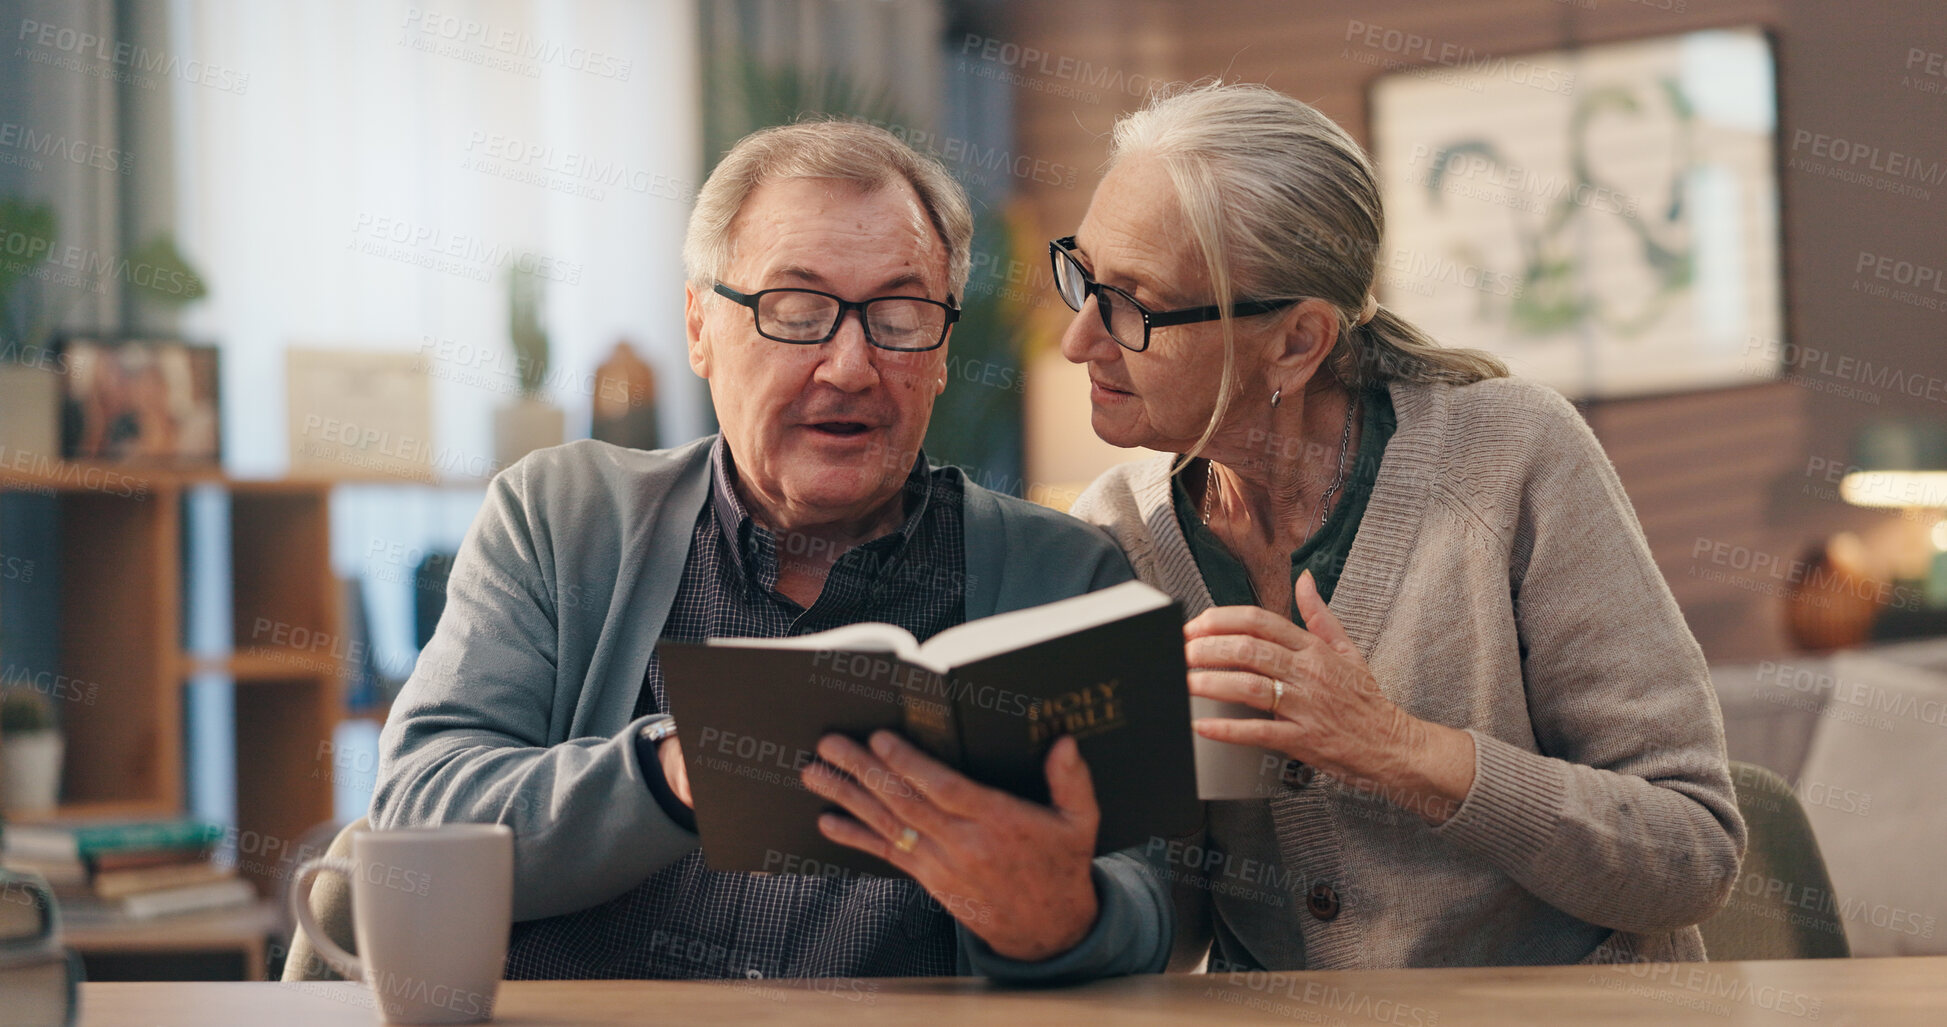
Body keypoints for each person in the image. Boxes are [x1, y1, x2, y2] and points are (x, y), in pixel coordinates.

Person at [372, 120, 1169, 982]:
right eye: (796, 313)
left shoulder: (1064, 574)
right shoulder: (561, 518)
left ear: (941, 353)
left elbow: (1162, 899)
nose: (851, 366)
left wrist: (1063, 919)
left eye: (900, 317)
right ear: (699, 326)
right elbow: (418, 816)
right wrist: (683, 765)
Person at [1061, 83, 1746, 969]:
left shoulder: (1512, 458)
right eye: (1081, 276)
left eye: (1132, 303)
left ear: (1298, 343)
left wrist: (1396, 747)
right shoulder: (1116, 536)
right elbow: (1167, 920)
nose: (1079, 339)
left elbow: (1690, 854)